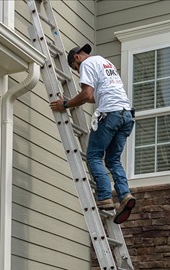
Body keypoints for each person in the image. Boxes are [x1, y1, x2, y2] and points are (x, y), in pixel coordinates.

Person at [49, 43, 136, 224]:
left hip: (111, 115)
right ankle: (125, 195)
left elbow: (86, 93)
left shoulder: (86, 64)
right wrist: (75, 100)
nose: (78, 70)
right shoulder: (106, 63)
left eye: (75, 68)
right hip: (126, 115)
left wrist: (65, 105)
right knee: (112, 160)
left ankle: (105, 197)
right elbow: (94, 96)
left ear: (76, 59)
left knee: (94, 157)